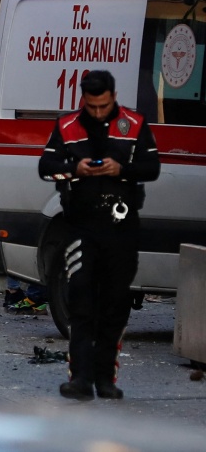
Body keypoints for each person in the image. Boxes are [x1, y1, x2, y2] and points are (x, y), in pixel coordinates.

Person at [38, 70, 160, 401]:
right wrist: (74, 170)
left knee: (116, 301)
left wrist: (122, 169)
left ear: (113, 97)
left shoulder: (133, 125)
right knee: (79, 296)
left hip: (121, 226)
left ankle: (106, 378)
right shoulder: (66, 127)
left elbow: (152, 168)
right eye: (91, 106)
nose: (97, 112)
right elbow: (47, 168)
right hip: (81, 225)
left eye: (103, 105)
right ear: (83, 100)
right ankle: (80, 379)